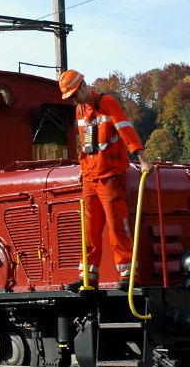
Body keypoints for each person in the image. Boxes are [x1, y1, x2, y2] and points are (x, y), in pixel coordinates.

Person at [59, 69, 154, 290]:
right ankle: (88, 277)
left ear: (83, 86)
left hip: (111, 176)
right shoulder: (79, 110)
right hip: (90, 178)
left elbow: (126, 130)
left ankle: (128, 275)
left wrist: (143, 159)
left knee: (117, 226)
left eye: (74, 94)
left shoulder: (107, 103)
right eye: (70, 97)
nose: (74, 99)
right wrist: (83, 167)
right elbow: (85, 143)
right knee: (89, 229)